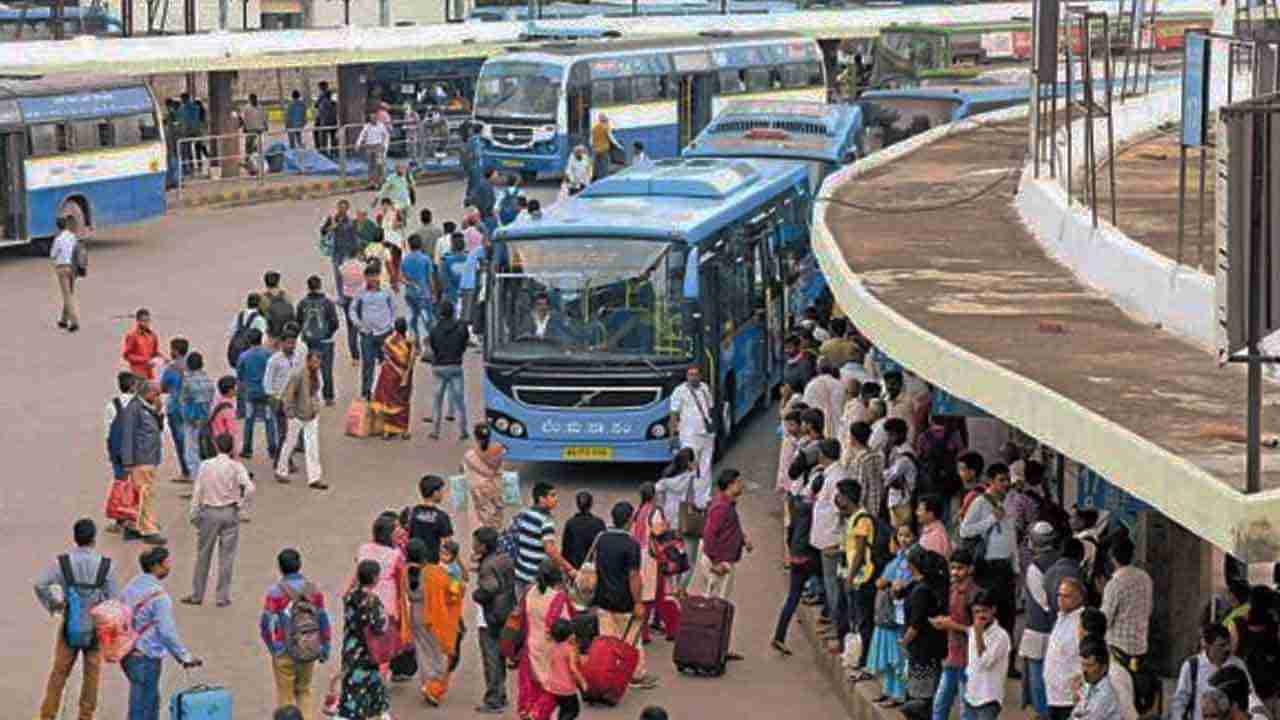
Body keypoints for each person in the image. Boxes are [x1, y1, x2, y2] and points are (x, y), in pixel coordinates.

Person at [34, 518, 119, 720]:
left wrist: (55, 604)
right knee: (92, 675)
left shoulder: (62, 563)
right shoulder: (106, 566)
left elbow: (40, 584)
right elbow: (114, 601)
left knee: (59, 673)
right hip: (95, 630)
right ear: (93, 540)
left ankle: (47, 714)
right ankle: (85, 715)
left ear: (75, 538)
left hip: (70, 626)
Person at [121, 547, 202, 720]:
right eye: (166, 562)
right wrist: (184, 657)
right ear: (155, 566)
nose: (169, 566)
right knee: (146, 708)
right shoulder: (159, 597)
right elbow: (167, 632)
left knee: (139, 703)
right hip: (146, 657)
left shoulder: (130, 587)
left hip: (128, 654)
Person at [183, 433, 254, 607]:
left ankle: (197, 594)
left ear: (216, 446)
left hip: (209, 512)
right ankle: (222, 597)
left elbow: (198, 491)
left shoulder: (206, 466)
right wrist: (241, 504)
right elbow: (250, 488)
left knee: (203, 555)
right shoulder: (236, 467)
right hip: (230, 512)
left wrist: (193, 513)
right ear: (231, 448)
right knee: (227, 557)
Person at [261, 547, 332, 718]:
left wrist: (272, 647)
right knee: (304, 691)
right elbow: (323, 619)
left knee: (285, 695)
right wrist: (325, 646)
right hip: (307, 646)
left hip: (283, 648)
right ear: (300, 565)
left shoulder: (275, 592)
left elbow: (265, 623)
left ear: (280, 567)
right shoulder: (313, 590)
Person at [695, 469, 751, 661]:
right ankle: (711, 648)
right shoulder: (721, 507)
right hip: (720, 562)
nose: (741, 485)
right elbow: (709, 535)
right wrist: (716, 562)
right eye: (738, 482)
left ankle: (717, 647)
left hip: (723, 559)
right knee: (716, 606)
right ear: (730, 485)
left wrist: (743, 539)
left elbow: (728, 529)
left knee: (719, 605)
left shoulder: (727, 505)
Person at [960, 462, 1018, 635]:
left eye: (1008, 480)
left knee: (1007, 618)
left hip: (1005, 568)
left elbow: (1011, 536)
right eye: (1001, 480)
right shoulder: (980, 502)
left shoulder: (1008, 502)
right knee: (989, 618)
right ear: (990, 481)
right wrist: (991, 519)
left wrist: (1016, 566)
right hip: (987, 568)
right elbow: (965, 531)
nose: (1006, 484)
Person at [406, 537, 464, 706]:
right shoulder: (434, 572)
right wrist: (458, 585)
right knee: (437, 652)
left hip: (415, 614)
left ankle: (426, 684)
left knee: (423, 651)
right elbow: (453, 591)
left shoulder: (406, 571)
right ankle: (434, 686)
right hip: (433, 614)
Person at [867, 522, 915, 707]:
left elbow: (894, 582)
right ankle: (888, 690)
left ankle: (899, 694)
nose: (903, 540)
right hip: (889, 614)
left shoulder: (912, 559)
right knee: (888, 657)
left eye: (907, 536)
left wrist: (886, 583)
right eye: (900, 536)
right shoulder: (898, 557)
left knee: (897, 658)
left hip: (899, 615)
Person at [336, 559, 392, 720]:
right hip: (369, 652)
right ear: (375, 578)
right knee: (373, 686)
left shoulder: (350, 597)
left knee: (352, 686)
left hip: (351, 648)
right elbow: (379, 627)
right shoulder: (373, 601)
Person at [518, 560, 573, 720]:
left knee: (532, 688)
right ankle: (537, 714)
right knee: (553, 689)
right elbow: (565, 626)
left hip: (531, 646)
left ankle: (529, 712)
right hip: (550, 650)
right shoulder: (557, 598)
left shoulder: (529, 593)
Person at [773, 472, 820, 656]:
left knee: (793, 597)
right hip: (807, 555)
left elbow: (790, 531)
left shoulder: (798, 505)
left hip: (796, 555)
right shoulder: (815, 510)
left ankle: (779, 635)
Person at [928, 547, 978, 720]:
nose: (955, 572)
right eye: (953, 568)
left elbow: (979, 631)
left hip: (968, 659)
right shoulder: (953, 588)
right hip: (952, 655)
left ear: (970, 569)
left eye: (960, 568)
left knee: (966, 709)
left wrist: (951, 624)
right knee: (940, 703)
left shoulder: (975, 595)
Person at [473, 526, 517, 714]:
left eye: (476, 543)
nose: (473, 545)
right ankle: (501, 694)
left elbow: (489, 589)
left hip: (490, 617)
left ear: (483, 546)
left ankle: (493, 699)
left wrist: (476, 595)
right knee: (499, 657)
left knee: (491, 658)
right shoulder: (505, 558)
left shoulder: (488, 566)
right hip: (505, 612)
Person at [901, 546, 948, 716]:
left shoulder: (921, 591)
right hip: (931, 647)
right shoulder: (930, 586)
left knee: (919, 697)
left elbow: (916, 624)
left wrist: (904, 641)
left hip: (921, 650)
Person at [121, 381, 166, 545]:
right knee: (146, 495)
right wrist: (127, 461)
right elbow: (127, 435)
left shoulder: (148, 408)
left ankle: (133, 526)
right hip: (142, 459)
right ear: (147, 393)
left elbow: (158, 428)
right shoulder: (135, 410)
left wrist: (159, 413)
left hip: (149, 457)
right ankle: (148, 530)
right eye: (156, 394)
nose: (158, 397)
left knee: (139, 495)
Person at [1171, 623, 1249, 720]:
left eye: (1228, 644)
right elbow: (1180, 702)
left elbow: (1250, 695)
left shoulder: (1238, 664)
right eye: (1222, 645)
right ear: (1207, 646)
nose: (1227, 649)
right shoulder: (1192, 666)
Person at [513, 482, 575, 597]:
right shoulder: (546, 521)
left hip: (520, 573)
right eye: (552, 495)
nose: (556, 499)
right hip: (535, 578)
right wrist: (569, 568)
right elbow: (550, 550)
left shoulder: (525, 513)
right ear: (542, 499)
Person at [1100, 535, 1153, 663]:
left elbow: (1105, 620)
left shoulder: (1115, 583)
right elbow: (1149, 609)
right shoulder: (1145, 578)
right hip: (1140, 644)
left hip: (1118, 648)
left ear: (1112, 558)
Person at [964, 590, 1012, 720]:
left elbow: (985, 662)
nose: (980, 616)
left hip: (989, 698)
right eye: (976, 612)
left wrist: (978, 634)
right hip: (971, 696)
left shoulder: (1001, 636)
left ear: (993, 610)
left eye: (984, 611)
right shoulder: (973, 630)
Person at [352, 264, 396, 401]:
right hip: (367, 334)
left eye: (375, 275)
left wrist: (391, 324)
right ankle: (366, 392)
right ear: (365, 278)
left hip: (384, 333)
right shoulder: (360, 292)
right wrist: (359, 324)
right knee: (368, 364)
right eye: (369, 276)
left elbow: (394, 308)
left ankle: (388, 391)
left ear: (379, 276)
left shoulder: (387, 291)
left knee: (388, 364)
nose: (372, 279)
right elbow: (352, 309)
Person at [427, 300, 469, 440]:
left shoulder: (434, 329)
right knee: (459, 401)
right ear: (453, 312)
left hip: (439, 366)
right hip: (455, 366)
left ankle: (435, 431)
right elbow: (464, 344)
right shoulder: (461, 328)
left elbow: (433, 347)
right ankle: (463, 431)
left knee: (437, 400)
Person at [369, 318, 417, 440]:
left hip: (388, 375)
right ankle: (403, 430)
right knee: (402, 402)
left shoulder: (388, 341)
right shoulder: (409, 342)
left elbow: (385, 357)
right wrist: (405, 375)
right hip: (402, 376)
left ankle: (387, 430)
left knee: (387, 401)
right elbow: (411, 360)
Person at [670, 365, 716, 490]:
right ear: (686, 376)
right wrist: (673, 435)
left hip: (707, 435)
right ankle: (691, 499)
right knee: (690, 467)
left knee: (706, 466)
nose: (693, 377)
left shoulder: (705, 388)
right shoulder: (679, 391)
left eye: (696, 374)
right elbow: (674, 414)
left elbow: (710, 408)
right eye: (690, 375)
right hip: (689, 436)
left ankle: (704, 498)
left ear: (700, 376)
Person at [1045, 577, 1085, 720]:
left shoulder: (1082, 621)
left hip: (1070, 698)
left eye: (1066, 596)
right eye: (1059, 595)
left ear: (1079, 597)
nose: (1061, 599)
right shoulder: (1061, 617)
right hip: (1053, 695)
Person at [297, 275, 341, 406]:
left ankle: (311, 394)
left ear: (308, 287)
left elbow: (298, 321)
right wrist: (328, 334)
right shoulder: (328, 303)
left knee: (311, 369)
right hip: (326, 341)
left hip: (310, 341)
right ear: (320, 286)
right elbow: (335, 322)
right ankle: (328, 397)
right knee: (326, 370)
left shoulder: (302, 303)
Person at [237, 328, 278, 461]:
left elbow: (240, 375)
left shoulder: (244, 356)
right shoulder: (268, 354)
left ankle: (247, 448)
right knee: (269, 419)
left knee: (249, 420)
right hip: (266, 392)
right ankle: (272, 448)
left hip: (250, 392)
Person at [177, 351, 215, 482]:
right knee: (204, 447)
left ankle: (196, 478)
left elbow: (183, 400)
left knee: (191, 450)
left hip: (191, 419)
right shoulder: (208, 380)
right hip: (205, 418)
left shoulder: (187, 382)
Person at [159, 338, 191, 482]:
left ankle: (186, 471)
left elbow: (163, 387)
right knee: (191, 439)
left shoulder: (171, 368)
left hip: (175, 407)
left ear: (175, 351)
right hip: (190, 407)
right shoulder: (191, 365)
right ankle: (194, 468)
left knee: (180, 440)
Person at [464, 425, 507, 531]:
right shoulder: (499, 449)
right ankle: (496, 535)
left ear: (476, 437)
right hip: (496, 487)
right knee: (497, 515)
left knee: (484, 517)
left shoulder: (470, 455)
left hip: (481, 490)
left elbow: (465, 472)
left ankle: (487, 536)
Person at [404, 475, 454, 563]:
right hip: (431, 564)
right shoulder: (441, 517)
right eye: (441, 491)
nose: (443, 494)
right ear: (435, 493)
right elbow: (448, 545)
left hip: (411, 562)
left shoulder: (410, 512)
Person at [401, 234, 436, 352]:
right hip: (424, 294)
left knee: (413, 319)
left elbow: (401, 278)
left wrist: (410, 283)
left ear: (409, 245)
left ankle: (416, 346)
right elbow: (430, 278)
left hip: (410, 294)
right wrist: (434, 292)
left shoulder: (405, 259)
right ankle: (431, 344)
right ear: (421, 244)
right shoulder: (426, 259)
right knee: (428, 319)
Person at [547, 619, 586, 720]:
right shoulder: (569, 649)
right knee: (573, 711)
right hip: (567, 688)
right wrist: (582, 682)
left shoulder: (551, 647)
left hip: (554, 687)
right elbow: (573, 669)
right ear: (569, 635)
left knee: (564, 709)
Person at [847, 421, 886, 522]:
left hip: (865, 508)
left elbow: (860, 485)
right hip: (880, 503)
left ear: (853, 437)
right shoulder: (878, 455)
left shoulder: (860, 459)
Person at [882, 417, 917, 527]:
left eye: (892, 435)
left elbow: (887, 477)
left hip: (902, 502)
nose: (889, 439)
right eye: (888, 435)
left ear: (901, 434)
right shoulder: (898, 451)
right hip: (897, 500)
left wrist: (886, 456)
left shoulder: (904, 456)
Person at [1073, 638, 1120, 719]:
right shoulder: (1089, 686)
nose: (1084, 670)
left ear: (1103, 668)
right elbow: (1076, 715)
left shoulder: (1106, 694)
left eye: (1089, 665)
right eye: (1083, 665)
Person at [50, 215, 80, 332]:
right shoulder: (73, 237)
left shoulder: (58, 239)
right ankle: (63, 320)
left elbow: (52, 254)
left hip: (62, 268)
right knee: (69, 293)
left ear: (58, 227)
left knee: (67, 295)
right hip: (73, 268)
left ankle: (74, 322)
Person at [562, 490, 606, 570]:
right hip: (593, 567)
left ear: (577, 505)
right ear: (591, 504)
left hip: (575, 567)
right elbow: (603, 547)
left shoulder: (571, 523)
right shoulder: (599, 523)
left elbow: (566, 549)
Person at [122, 308, 162, 380]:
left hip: (150, 372)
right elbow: (127, 355)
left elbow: (155, 352)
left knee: (153, 389)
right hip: (137, 372)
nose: (146, 323)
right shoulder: (132, 336)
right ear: (138, 321)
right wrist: (144, 360)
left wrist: (163, 359)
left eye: (148, 320)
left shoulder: (153, 335)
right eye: (144, 321)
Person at [356, 112, 390, 188]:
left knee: (379, 165)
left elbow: (386, 135)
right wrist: (358, 143)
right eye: (371, 118)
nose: (373, 119)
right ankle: (371, 182)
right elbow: (362, 135)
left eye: (374, 117)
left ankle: (381, 181)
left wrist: (384, 145)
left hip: (378, 146)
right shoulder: (367, 126)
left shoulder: (381, 126)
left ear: (376, 118)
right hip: (369, 147)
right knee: (371, 165)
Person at [916, 494, 950, 559]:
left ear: (930, 514)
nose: (916, 513)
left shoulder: (935, 536)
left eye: (920, 510)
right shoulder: (932, 528)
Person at [241, 93, 268, 163]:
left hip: (259, 130)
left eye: (254, 99)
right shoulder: (246, 108)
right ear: (250, 100)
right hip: (250, 129)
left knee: (257, 146)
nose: (253, 100)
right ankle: (247, 160)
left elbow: (264, 117)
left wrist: (266, 125)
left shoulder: (260, 107)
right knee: (248, 146)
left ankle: (257, 161)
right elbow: (243, 118)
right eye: (251, 99)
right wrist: (244, 127)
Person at [591, 114, 619, 180]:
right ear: (605, 120)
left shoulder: (594, 128)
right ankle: (604, 179)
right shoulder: (606, 127)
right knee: (605, 167)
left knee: (597, 167)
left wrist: (594, 148)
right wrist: (618, 146)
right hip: (604, 150)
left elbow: (591, 140)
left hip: (596, 150)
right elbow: (611, 138)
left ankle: (597, 179)